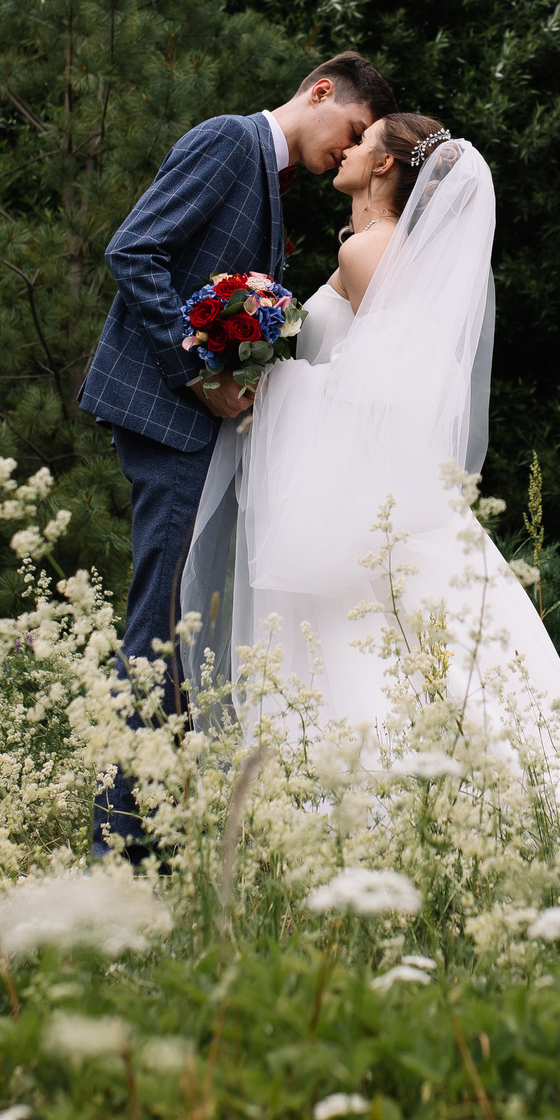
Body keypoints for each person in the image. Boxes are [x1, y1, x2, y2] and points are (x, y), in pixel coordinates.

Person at [177, 116, 560, 851]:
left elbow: (389, 391)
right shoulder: (374, 250)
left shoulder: (374, 251)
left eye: (362, 139)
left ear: (383, 166)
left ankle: (380, 825)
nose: (345, 148)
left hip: (357, 510)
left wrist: (274, 386)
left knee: (375, 664)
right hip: (355, 503)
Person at [79, 52, 394, 852]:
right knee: (160, 630)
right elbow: (133, 250)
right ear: (320, 93)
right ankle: (120, 845)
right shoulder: (229, 142)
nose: (347, 150)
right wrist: (199, 377)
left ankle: (157, 834)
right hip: (168, 418)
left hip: (194, 426)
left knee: (180, 630)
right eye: (352, 130)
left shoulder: (269, 178)